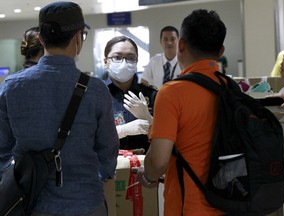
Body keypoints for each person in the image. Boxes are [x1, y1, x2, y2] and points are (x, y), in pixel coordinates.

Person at [0, 2, 119, 216]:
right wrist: (100, 176)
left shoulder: (12, 87)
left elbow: (1, 149)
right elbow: (108, 151)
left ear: (41, 38)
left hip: (32, 204)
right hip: (87, 202)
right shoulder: (96, 90)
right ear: (77, 38)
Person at [134, 9, 227, 215]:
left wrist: (148, 176)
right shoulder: (232, 90)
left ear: (181, 45)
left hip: (188, 205)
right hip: (232, 202)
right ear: (221, 51)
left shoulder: (172, 92)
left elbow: (158, 162)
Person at [103, 36, 157, 153]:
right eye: (117, 57)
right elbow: (86, 137)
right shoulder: (96, 94)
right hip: (107, 167)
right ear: (106, 62)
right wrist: (122, 131)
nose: (124, 62)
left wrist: (149, 119)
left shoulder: (151, 95)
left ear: (137, 61)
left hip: (145, 166)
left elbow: (165, 140)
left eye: (130, 58)